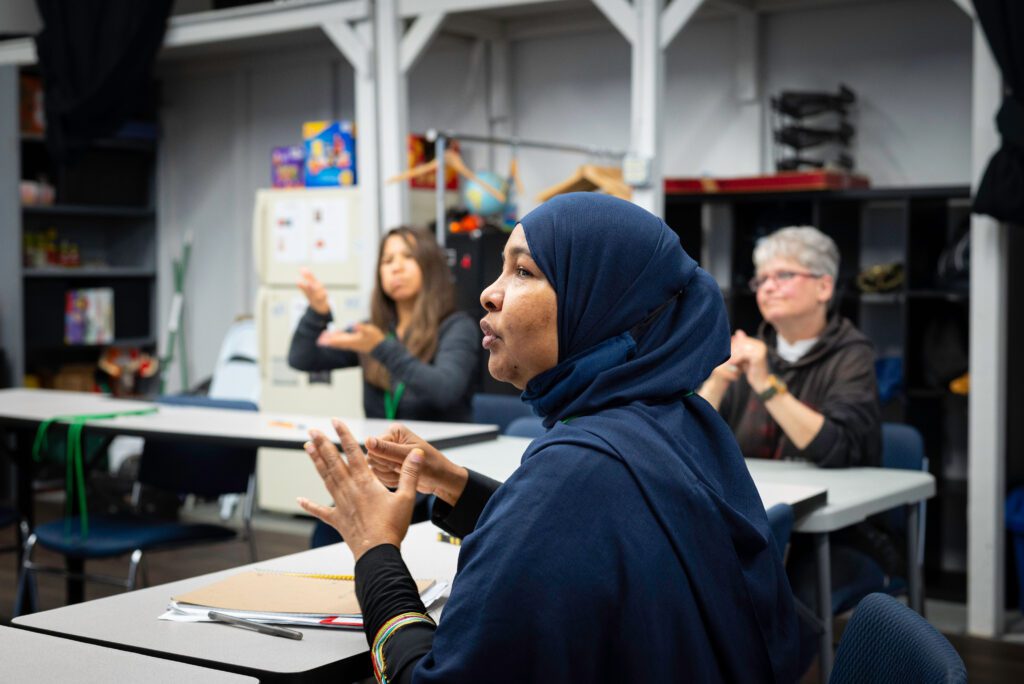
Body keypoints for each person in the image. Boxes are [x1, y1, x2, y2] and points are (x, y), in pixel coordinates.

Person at [298, 194, 799, 683]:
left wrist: (375, 550)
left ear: (600, 304)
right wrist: (453, 482)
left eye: (524, 272)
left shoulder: (573, 471)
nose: (489, 293)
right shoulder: (679, 419)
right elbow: (579, 533)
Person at [288, 226, 480, 546]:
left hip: (434, 476)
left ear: (429, 266)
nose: (396, 266)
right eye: (387, 259)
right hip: (385, 474)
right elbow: (303, 358)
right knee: (326, 534)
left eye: (407, 256)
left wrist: (382, 348)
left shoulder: (455, 327)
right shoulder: (375, 331)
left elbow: (446, 388)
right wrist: (318, 311)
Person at [698, 226, 881, 468]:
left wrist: (766, 385)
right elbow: (688, 442)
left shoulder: (852, 354)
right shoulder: (748, 353)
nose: (768, 287)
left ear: (824, 288)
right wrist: (717, 381)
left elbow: (840, 448)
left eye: (783, 275)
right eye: (761, 279)